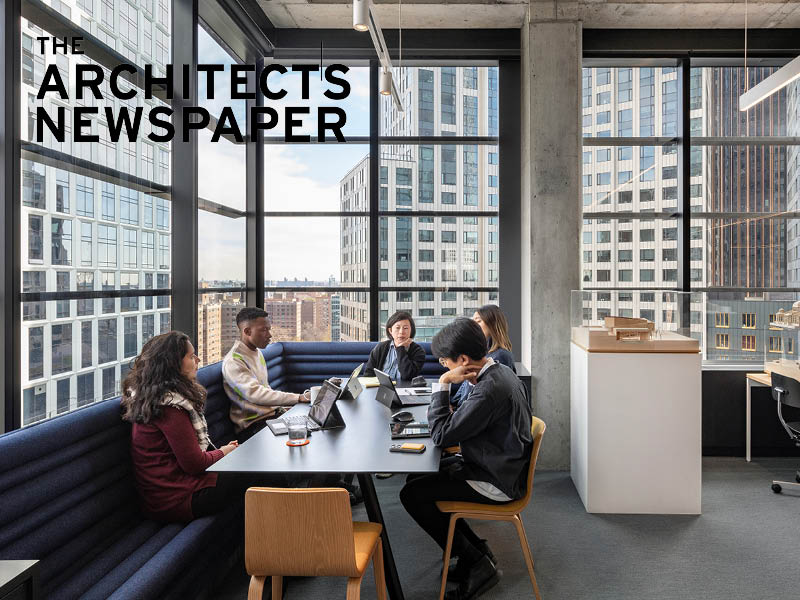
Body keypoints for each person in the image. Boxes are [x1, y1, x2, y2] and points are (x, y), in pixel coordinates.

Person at [399, 318, 532, 600]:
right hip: (498, 465)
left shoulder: (488, 389)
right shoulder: (499, 374)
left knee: (412, 494)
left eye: (445, 362)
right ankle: (477, 551)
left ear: (462, 359)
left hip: (496, 480)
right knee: (416, 479)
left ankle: (478, 563)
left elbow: (442, 435)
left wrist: (443, 384)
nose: (443, 368)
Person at [123, 331, 240, 522]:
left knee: (249, 473)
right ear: (172, 363)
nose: (198, 359)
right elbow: (195, 464)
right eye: (191, 355)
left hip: (173, 492)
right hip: (176, 499)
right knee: (255, 477)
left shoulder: (155, 399)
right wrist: (225, 452)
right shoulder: (168, 408)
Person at [223, 307, 310, 441]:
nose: (269, 335)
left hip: (270, 418)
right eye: (264, 330)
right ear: (247, 331)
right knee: (304, 434)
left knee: (312, 425)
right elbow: (256, 394)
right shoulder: (234, 361)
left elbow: (265, 389)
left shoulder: (256, 352)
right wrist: (299, 398)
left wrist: (281, 408)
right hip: (253, 428)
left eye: (269, 329)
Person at [451, 305, 516, 408]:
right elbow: (466, 386)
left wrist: (456, 409)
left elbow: (485, 396)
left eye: (478, 321)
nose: (473, 326)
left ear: (492, 324)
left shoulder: (501, 356)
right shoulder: (483, 354)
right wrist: (452, 403)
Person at [364, 310, 426, 382]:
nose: (401, 332)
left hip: (405, 390)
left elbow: (408, 375)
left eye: (405, 328)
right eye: (397, 328)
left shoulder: (418, 351)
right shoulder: (381, 348)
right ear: (390, 331)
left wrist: (400, 349)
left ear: (411, 331)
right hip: (381, 389)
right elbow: (368, 375)